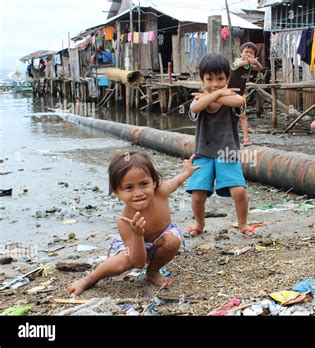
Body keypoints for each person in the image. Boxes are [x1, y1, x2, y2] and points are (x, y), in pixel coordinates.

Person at [68, 150, 200, 296]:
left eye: (144, 184)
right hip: (134, 247)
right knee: (121, 263)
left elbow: (176, 182)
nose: (138, 193)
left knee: (172, 241)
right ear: (117, 192)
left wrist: (187, 172)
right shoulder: (124, 220)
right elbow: (137, 263)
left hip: (161, 237)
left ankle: (153, 271)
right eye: (129, 187)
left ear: (154, 182)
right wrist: (138, 235)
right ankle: (89, 279)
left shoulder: (161, 191)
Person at [185, 52, 257, 237]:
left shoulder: (232, 98)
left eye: (220, 79)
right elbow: (195, 108)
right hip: (203, 152)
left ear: (227, 79)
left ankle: (243, 224)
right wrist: (219, 93)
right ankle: (199, 223)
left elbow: (239, 101)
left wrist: (212, 95)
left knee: (239, 191)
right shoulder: (198, 100)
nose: (214, 83)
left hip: (228, 151)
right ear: (202, 80)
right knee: (197, 194)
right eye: (209, 79)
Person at [228, 42, 262, 146]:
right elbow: (238, 65)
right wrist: (248, 61)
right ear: (241, 53)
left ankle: (246, 139)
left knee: (242, 116)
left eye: (251, 53)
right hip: (229, 94)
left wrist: (255, 62)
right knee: (229, 116)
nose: (248, 54)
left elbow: (260, 68)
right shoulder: (237, 61)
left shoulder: (249, 66)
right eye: (246, 52)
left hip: (241, 95)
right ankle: (228, 138)